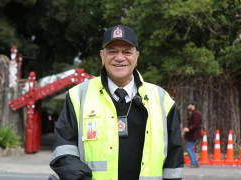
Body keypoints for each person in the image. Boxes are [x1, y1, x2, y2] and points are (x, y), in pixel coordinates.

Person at [49, 25, 184, 180]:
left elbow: (174, 159)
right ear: (102, 55)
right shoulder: (78, 96)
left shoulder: (162, 99)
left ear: (137, 56)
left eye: (127, 52)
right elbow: (63, 149)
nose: (119, 57)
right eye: (112, 51)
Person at [183, 100, 202, 168]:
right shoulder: (193, 113)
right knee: (190, 148)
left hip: (193, 134)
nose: (188, 106)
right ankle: (194, 163)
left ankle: (194, 163)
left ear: (193, 105)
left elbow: (196, 124)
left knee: (189, 148)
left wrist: (188, 129)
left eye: (189, 105)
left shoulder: (195, 113)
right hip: (192, 134)